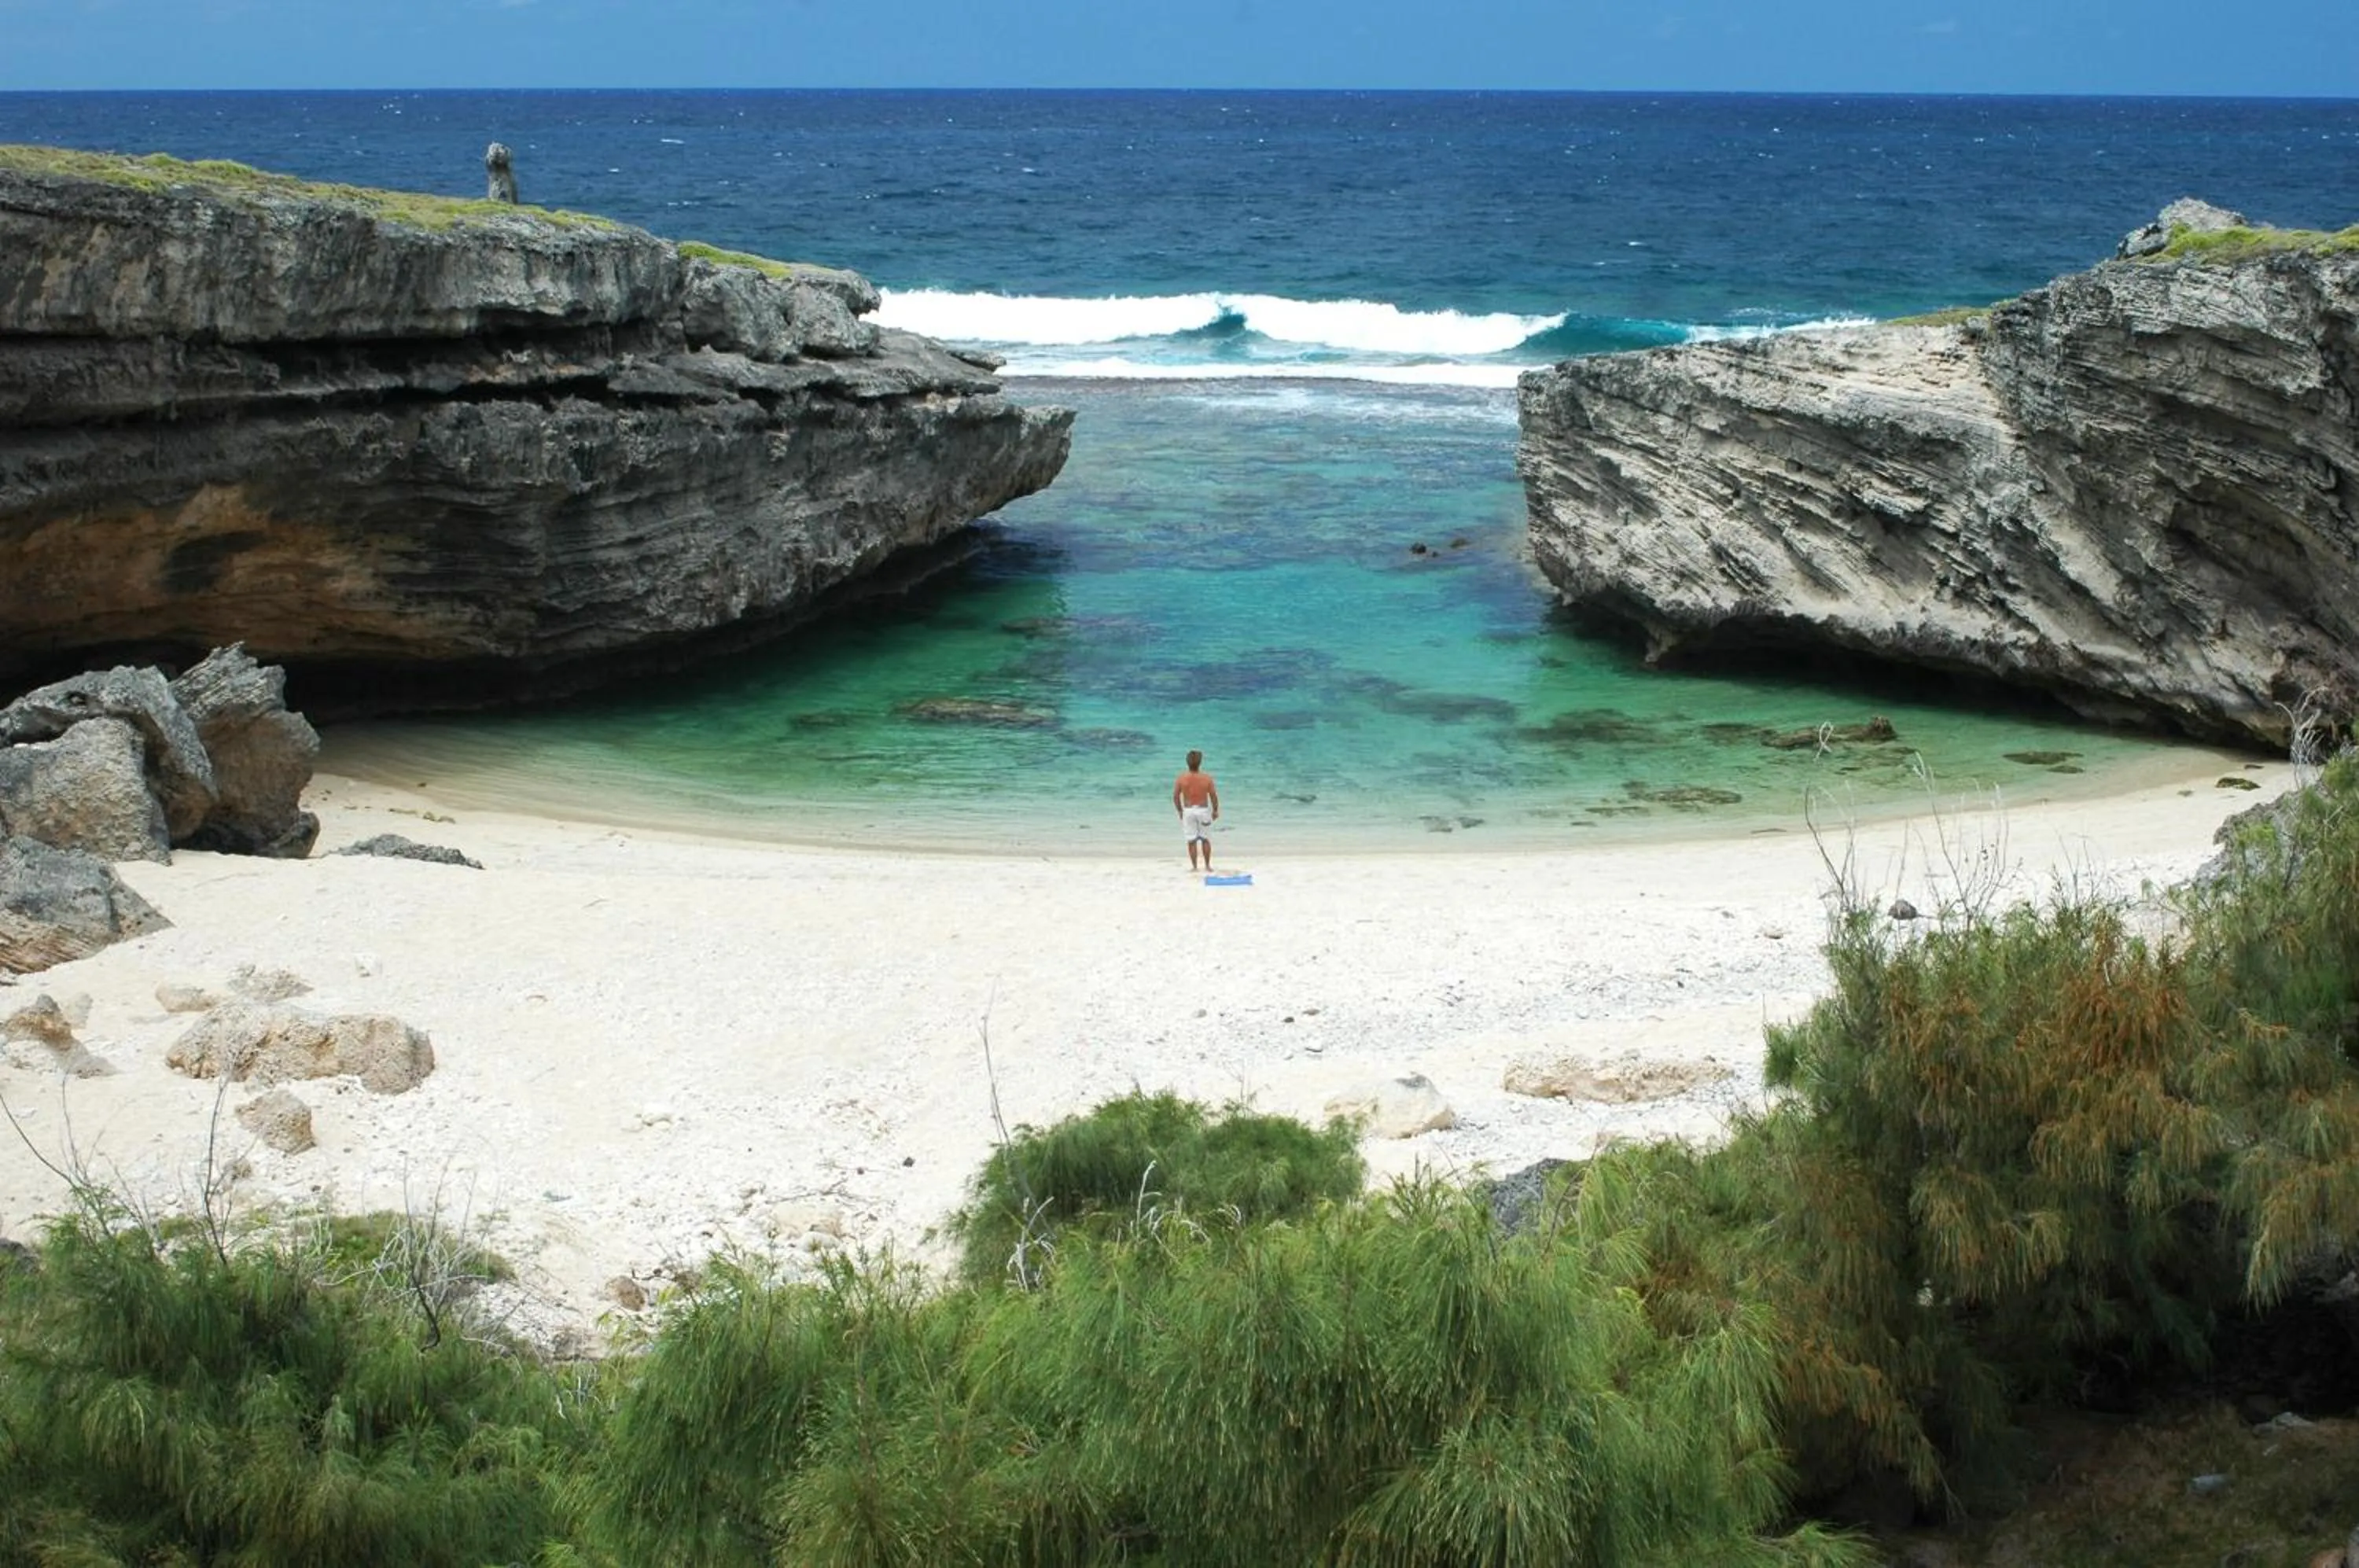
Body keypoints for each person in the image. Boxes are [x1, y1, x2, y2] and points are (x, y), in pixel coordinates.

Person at [1172, 749, 1220, 871]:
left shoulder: (1182, 778)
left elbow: (1176, 796)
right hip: (1203, 810)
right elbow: (1213, 796)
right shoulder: (1206, 778)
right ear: (1200, 763)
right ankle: (1208, 866)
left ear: (1187, 762)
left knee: (1191, 841)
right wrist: (1215, 810)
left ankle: (1194, 867)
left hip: (1188, 811)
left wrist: (1179, 810)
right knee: (1205, 839)